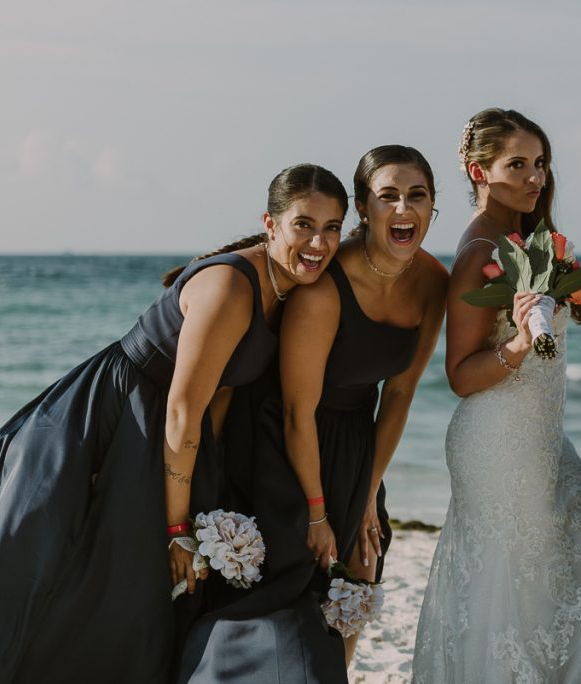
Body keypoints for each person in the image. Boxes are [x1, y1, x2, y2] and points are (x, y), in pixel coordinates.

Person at [0, 163, 347, 683]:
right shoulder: (232, 286)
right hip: (118, 419)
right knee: (62, 568)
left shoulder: (287, 289)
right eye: (304, 225)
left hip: (169, 433)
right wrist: (178, 529)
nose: (319, 242)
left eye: (333, 227)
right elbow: (183, 408)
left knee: (136, 592)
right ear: (270, 224)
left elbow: (221, 394)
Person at [178, 145, 447, 681]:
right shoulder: (326, 286)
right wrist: (321, 513)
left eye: (416, 196)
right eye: (387, 196)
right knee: (286, 585)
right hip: (285, 443)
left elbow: (398, 395)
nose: (402, 209)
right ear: (364, 211)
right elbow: (297, 411)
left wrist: (368, 493)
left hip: (358, 447)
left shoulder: (435, 282)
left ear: (433, 207)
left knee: (355, 579)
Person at [412, 108, 581, 682]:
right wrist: (522, 343)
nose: (534, 177)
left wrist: (560, 310)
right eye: (516, 164)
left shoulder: (526, 242)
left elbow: (548, 356)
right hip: (498, 442)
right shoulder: (480, 255)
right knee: (514, 588)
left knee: (576, 559)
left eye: (540, 163)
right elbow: (461, 375)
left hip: (540, 436)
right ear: (479, 171)